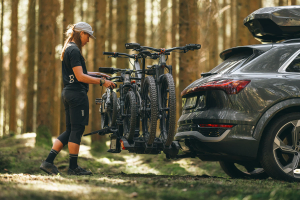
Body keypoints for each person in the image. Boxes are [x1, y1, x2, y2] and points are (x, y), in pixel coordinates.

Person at [40, 22, 116, 176]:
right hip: (76, 95)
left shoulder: (69, 48)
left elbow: (79, 73)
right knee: (77, 129)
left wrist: (98, 75)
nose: (88, 40)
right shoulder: (74, 50)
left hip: (69, 92)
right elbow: (80, 77)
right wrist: (103, 82)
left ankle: (48, 162)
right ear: (81, 33)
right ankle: (73, 167)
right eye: (88, 36)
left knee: (70, 130)